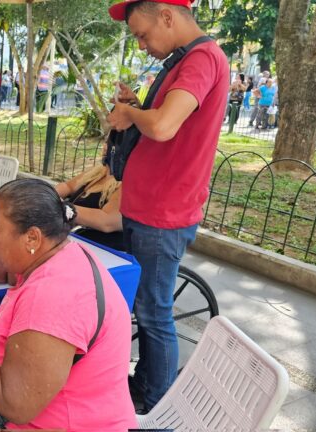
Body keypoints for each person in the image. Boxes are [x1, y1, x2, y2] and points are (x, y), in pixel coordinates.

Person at [0, 178, 137, 430]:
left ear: (32, 238)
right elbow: (12, 272)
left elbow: (16, 406)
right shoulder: (59, 253)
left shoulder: (51, 299)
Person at [106, 0, 229, 412]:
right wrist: (136, 107)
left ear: (167, 16)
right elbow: (160, 119)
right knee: (147, 307)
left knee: (154, 314)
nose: (142, 45)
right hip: (148, 207)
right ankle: (144, 385)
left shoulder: (201, 59)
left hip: (163, 213)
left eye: (143, 34)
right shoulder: (185, 61)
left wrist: (129, 113)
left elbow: (162, 126)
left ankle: (154, 400)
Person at [55, 160, 124, 251]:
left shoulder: (127, 182)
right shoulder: (99, 171)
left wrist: (63, 208)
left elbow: (107, 222)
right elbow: (68, 186)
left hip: (98, 247)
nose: (106, 147)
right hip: (71, 235)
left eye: (114, 145)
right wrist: (45, 194)